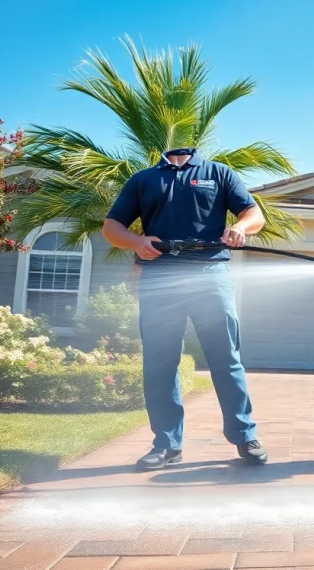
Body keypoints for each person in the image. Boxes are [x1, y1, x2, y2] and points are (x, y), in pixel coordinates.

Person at [102, 147, 268, 470]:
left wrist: (240, 228)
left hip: (210, 274)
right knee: (160, 363)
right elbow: (111, 227)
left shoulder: (218, 173)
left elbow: (255, 214)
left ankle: (245, 437)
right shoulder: (144, 180)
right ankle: (166, 445)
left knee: (226, 358)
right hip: (160, 276)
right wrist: (137, 242)